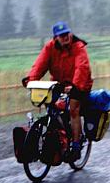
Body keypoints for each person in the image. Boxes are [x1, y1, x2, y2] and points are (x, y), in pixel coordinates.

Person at [24, 21, 93, 161]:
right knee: (50, 106)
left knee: (74, 109)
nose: (65, 37)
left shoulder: (78, 46)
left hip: (80, 84)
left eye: (66, 33)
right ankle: (58, 137)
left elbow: (82, 68)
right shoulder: (50, 47)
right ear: (55, 37)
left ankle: (76, 145)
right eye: (61, 35)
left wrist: (75, 86)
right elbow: (39, 65)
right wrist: (31, 80)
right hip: (60, 84)